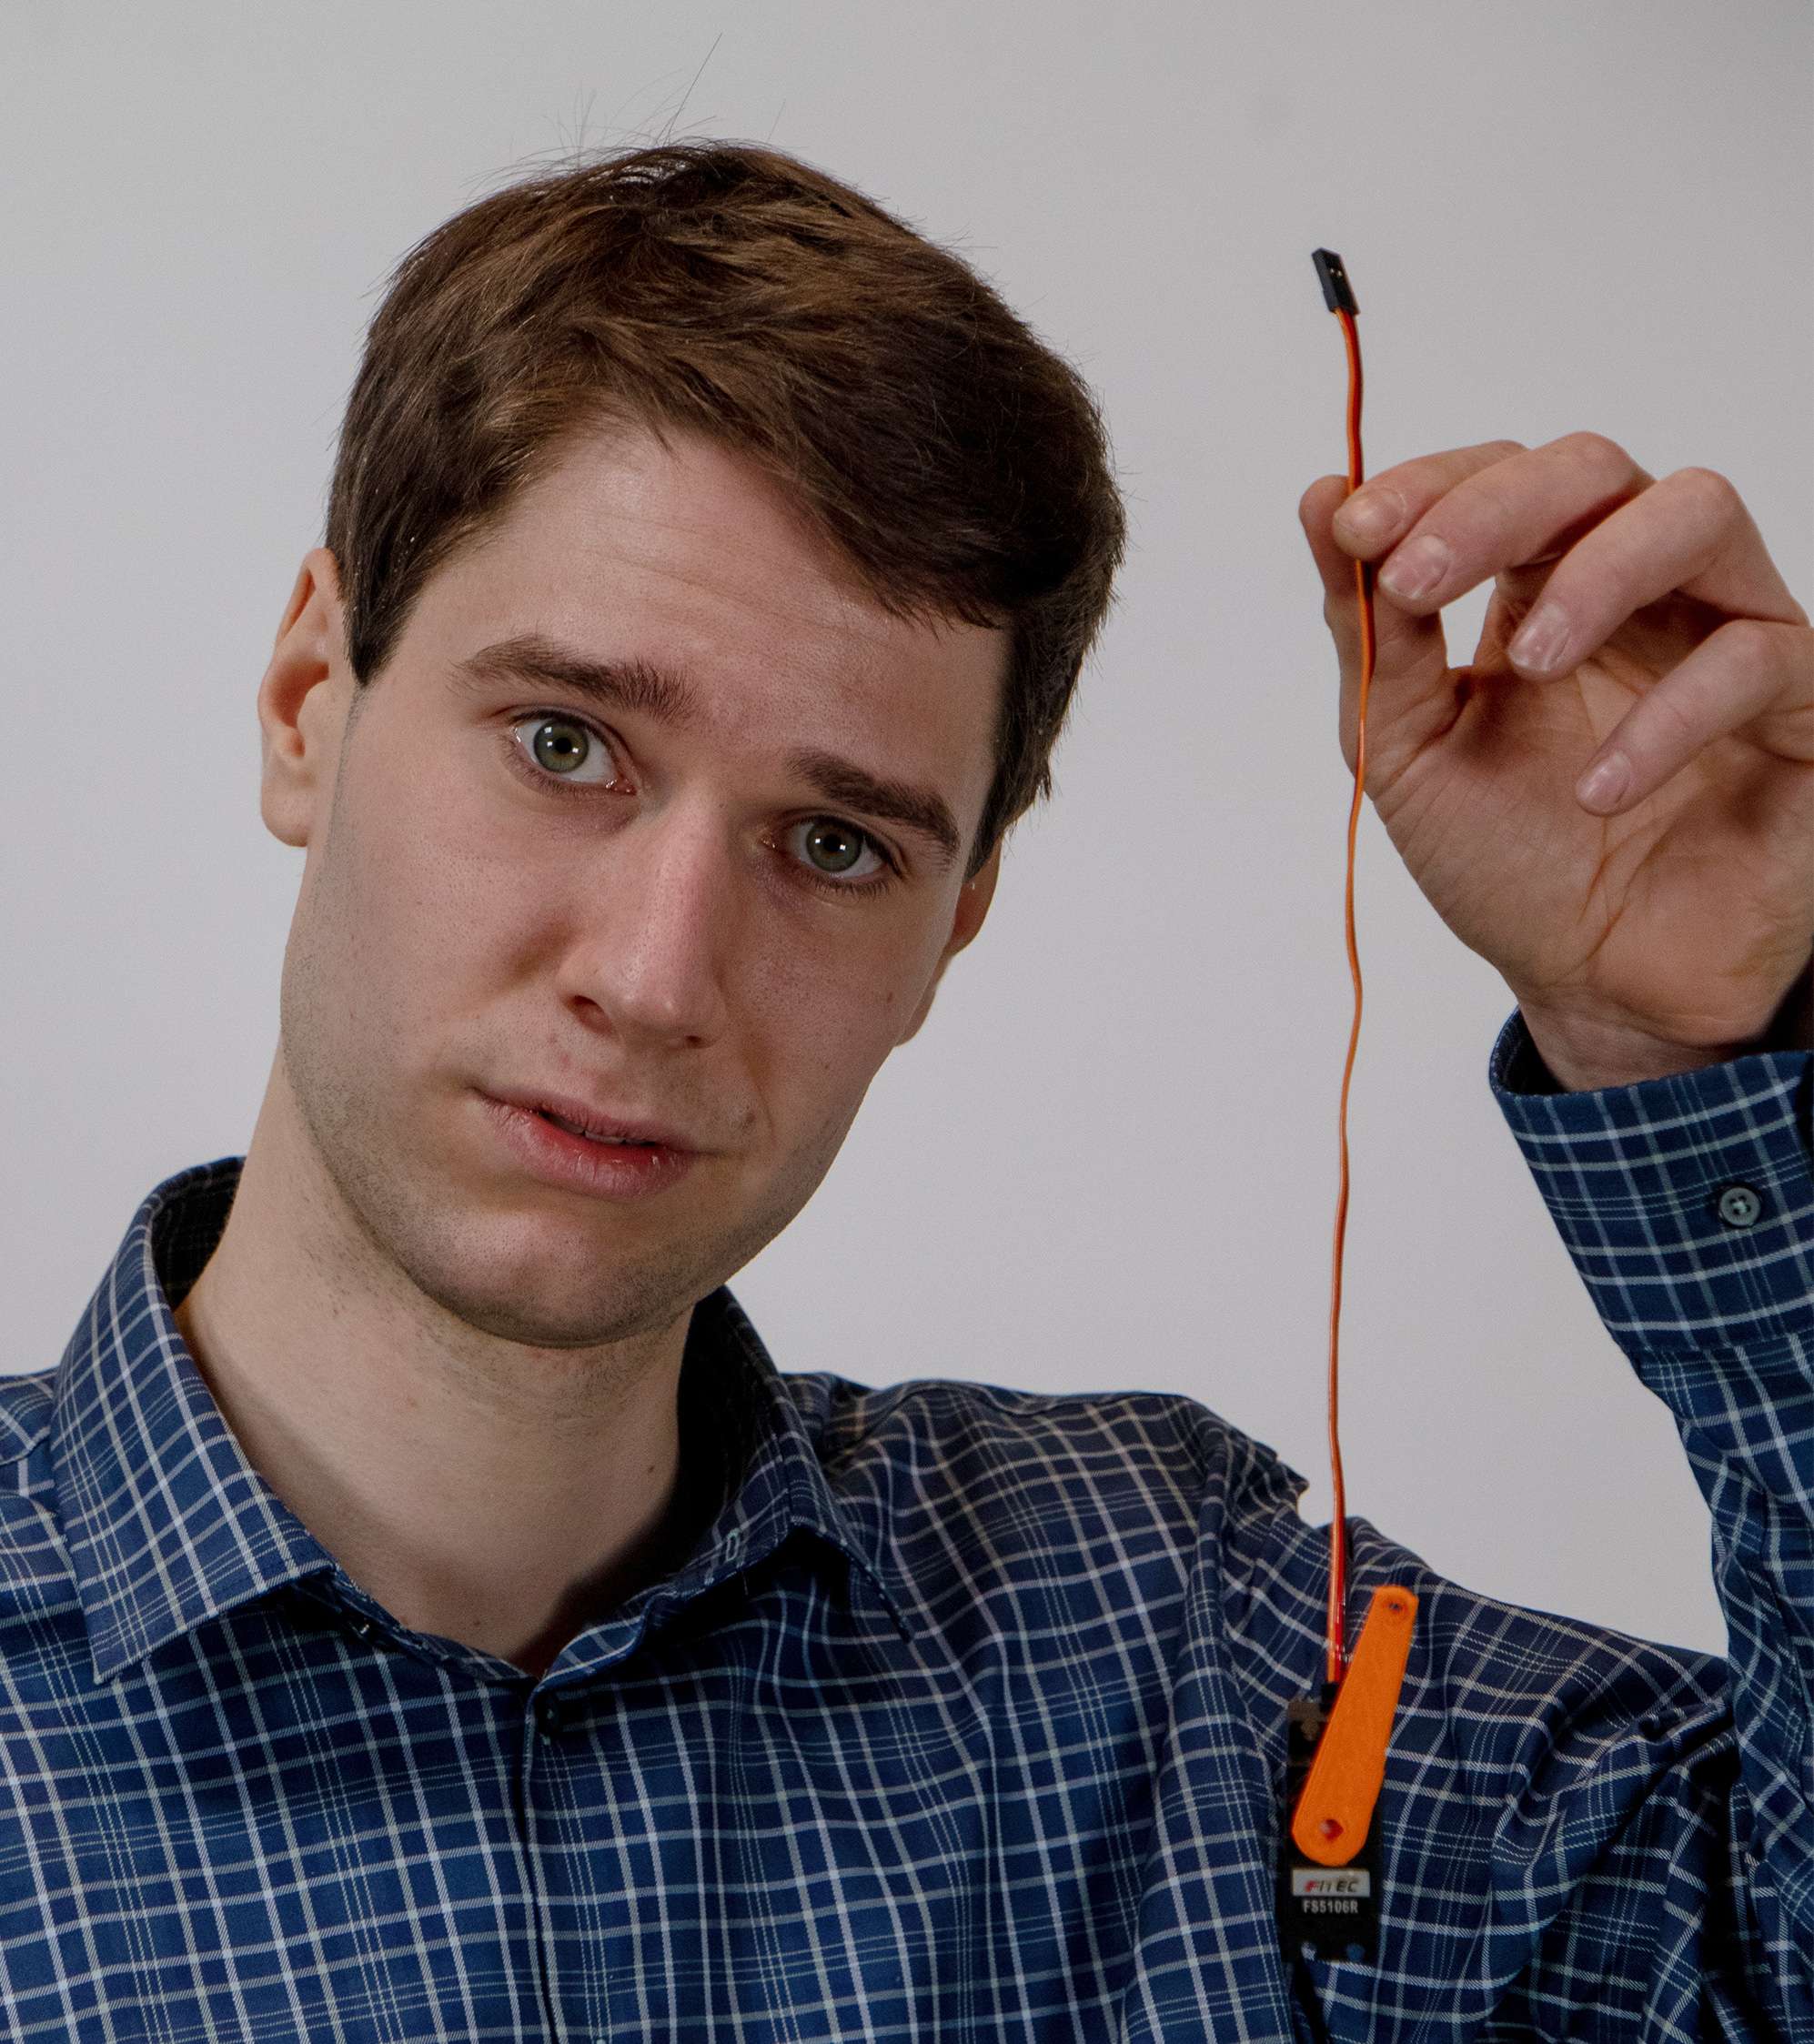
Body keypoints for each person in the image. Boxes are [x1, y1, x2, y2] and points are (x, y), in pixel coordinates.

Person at [5, 140, 1808, 2042]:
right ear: (311, 697)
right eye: (563, 743)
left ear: (956, 922)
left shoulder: (1161, 1640)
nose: (656, 976)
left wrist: (1690, 1038)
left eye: (833, 844)